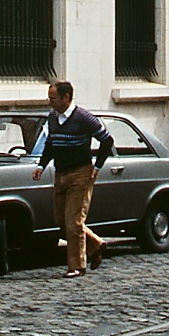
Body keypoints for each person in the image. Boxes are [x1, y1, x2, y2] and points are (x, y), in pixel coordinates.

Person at [31, 81, 114, 278]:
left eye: (53, 98)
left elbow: (107, 140)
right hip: (60, 173)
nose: (50, 102)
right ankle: (96, 245)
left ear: (66, 97)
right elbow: (51, 143)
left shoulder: (83, 117)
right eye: (49, 98)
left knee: (74, 221)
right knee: (61, 220)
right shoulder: (52, 118)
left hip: (80, 172)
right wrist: (41, 166)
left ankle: (77, 266)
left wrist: (98, 166)